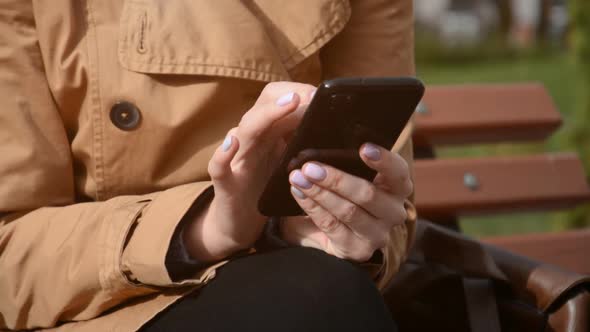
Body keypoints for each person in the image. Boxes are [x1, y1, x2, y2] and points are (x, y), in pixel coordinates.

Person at [0, 1, 417, 331]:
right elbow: (10, 256)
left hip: (307, 280)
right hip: (99, 308)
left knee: (322, 293)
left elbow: (393, 203)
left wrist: (343, 222)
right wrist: (207, 226)